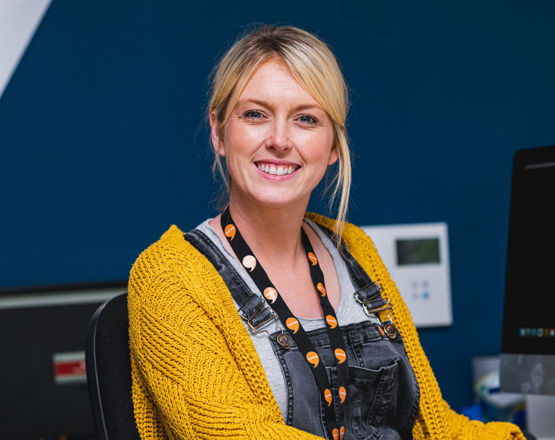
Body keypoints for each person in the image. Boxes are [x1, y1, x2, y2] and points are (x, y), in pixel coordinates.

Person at [128, 25, 524, 440]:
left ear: (333, 146)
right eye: (255, 114)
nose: (279, 140)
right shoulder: (168, 277)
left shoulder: (354, 249)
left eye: (306, 119)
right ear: (219, 131)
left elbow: (434, 427)